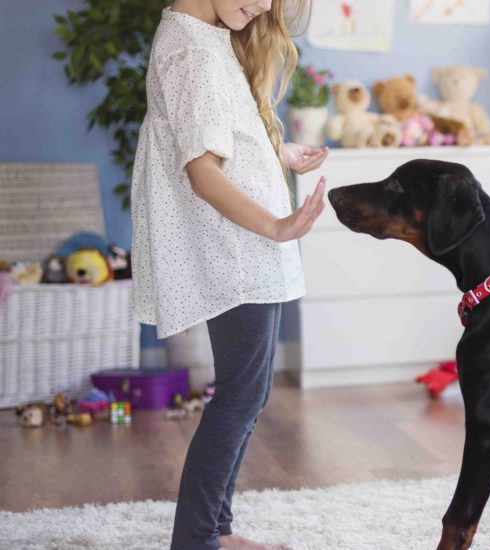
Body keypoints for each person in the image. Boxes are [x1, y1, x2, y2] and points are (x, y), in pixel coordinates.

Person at [129, 1, 327, 548]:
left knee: (249, 392)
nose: (265, 4)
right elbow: (202, 172)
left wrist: (279, 152)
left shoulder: (204, 36)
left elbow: (218, 130)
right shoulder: (193, 49)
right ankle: (197, 539)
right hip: (237, 251)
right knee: (240, 395)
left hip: (246, 251)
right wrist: (278, 226)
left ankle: (216, 530)